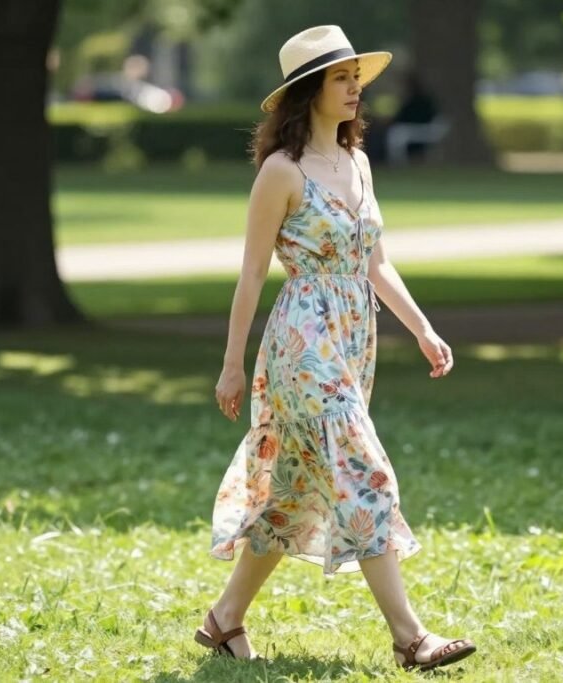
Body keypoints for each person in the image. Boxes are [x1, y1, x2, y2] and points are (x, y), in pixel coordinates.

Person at [196, 25, 476, 673]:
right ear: (309, 91)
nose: (355, 90)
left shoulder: (358, 162)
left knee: (292, 490)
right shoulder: (281, 171)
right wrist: (232, 364)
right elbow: (251, 273)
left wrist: (422, 327)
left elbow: (376, 262)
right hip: (302, 343)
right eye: (341, 79)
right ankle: (411, 637)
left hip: (352, 337)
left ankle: (224, 619)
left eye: (356, 78)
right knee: (364, 471)